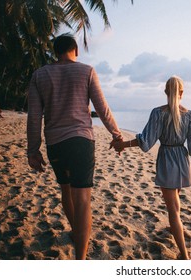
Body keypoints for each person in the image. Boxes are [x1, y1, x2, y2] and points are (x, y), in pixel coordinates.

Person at [27, 34, 123, 260]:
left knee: (66, 191)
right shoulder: (86, 71)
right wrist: (116, 134)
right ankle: (80, 258)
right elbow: (102, 109)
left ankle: (75, 231)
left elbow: (34, 117)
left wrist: (33, 150)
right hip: (81, 141)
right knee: (82, 199)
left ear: (55, 52)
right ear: (76, 50)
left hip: (55, 143)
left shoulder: (39, 75)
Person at [112, 76, 191, 260]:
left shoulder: (158, 113)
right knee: (175, 203)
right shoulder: (189, 114)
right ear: (181, 93)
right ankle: (175, 228)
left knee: (173, 210)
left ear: (165, 92)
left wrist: (123, 145)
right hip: (183, 160)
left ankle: (184, 256)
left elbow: (146, 140)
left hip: (167, 159)